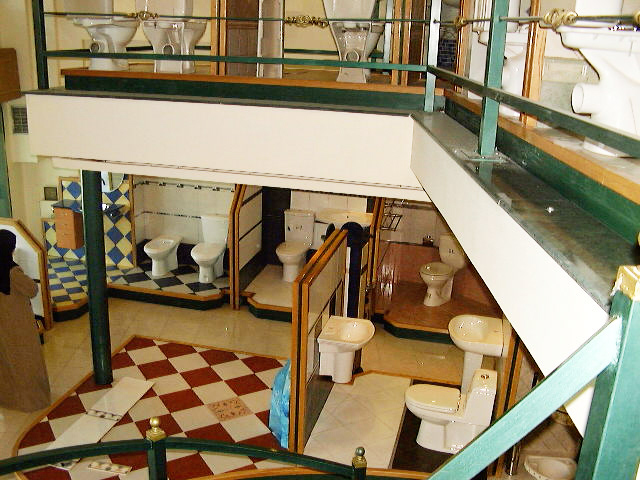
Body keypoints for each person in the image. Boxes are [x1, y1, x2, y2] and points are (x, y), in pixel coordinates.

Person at [0, 229, 51, 411]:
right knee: (26, 361)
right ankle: (32, 402)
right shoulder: (12, 271)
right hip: (17, 323)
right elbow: (32, 290)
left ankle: (8, 400)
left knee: (6, 361)